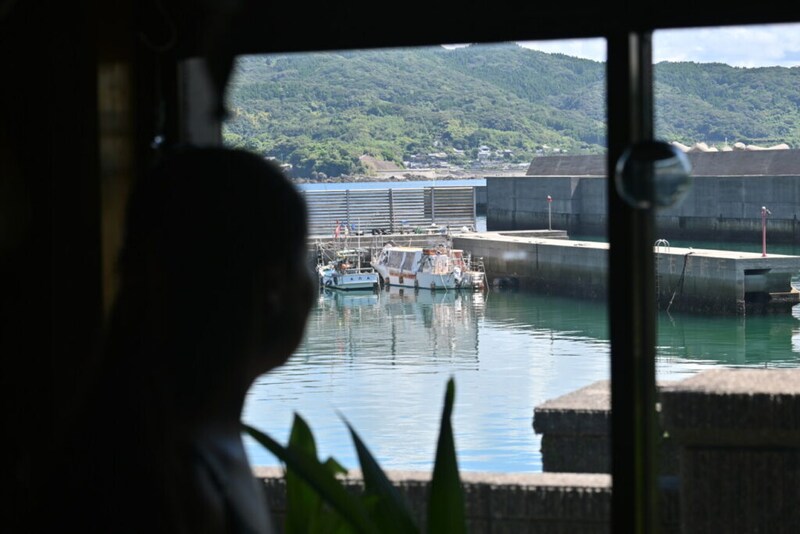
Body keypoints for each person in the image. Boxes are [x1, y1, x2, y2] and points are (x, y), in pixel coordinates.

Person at [44, 146, 315, 533]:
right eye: (304, 257)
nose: (311, 282)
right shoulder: (178, 489)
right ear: (273, 286)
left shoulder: (159, 436)